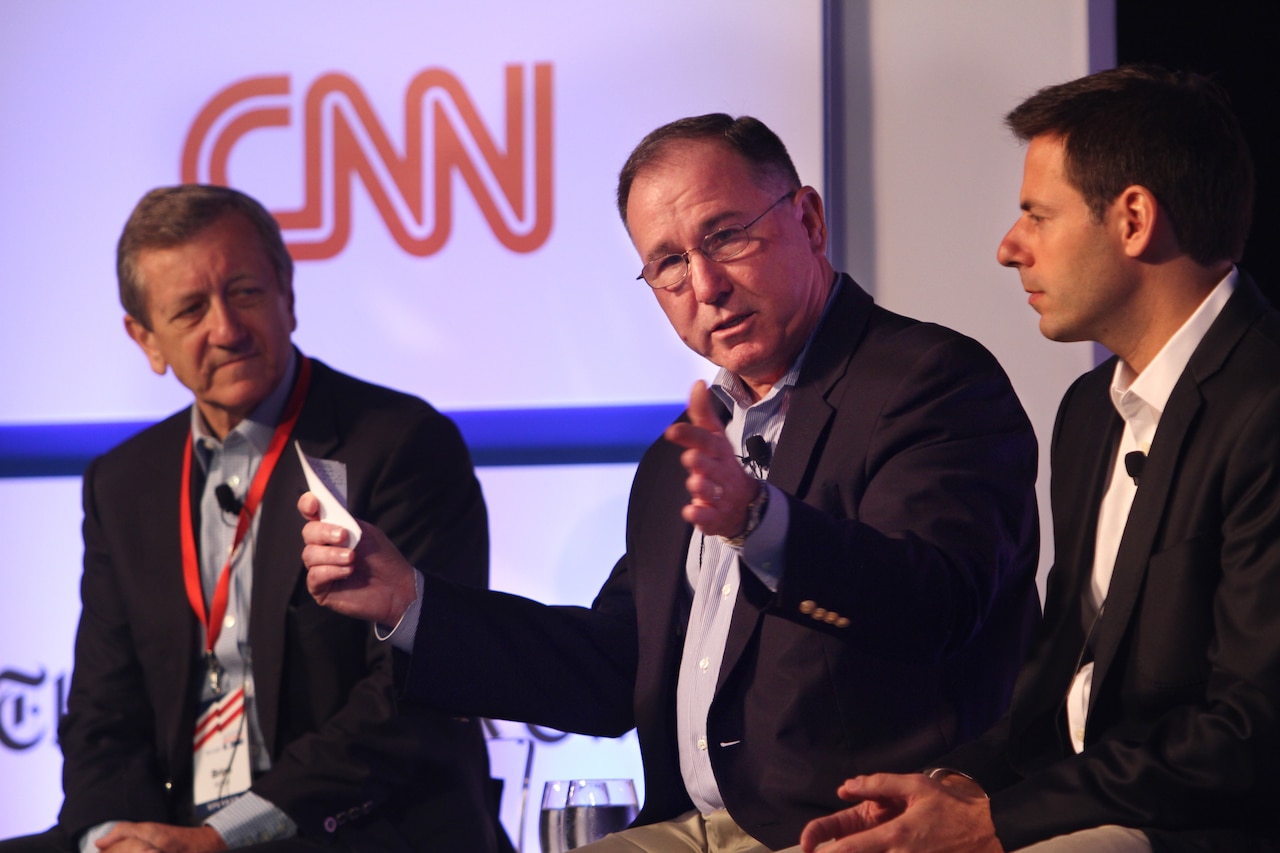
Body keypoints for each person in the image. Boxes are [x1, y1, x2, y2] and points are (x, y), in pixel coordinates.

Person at [301, 114, 1041, 853]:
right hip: (682, 826)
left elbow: (939, 601)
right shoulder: (681, 454)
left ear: (809, 219)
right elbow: (610, 664)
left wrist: (761, 522)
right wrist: (411, 601)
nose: (707, 285)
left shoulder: (927, 381)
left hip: (845, 824)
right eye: (669, 264)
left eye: (726, 237)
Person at [799, 66, 1280, 853]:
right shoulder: (1088, 413)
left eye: (1037, 214)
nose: (1007, 247)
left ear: (1132, 220)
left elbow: (1252, 729)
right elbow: (1059, 690)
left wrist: (997, 820)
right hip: (1083, 812)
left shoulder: (1265, 404)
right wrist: (954, 786)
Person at [0, 185, 508, 853]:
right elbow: (103, 712)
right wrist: (114, 837)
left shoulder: (399, 444)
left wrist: (221, 836)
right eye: (189, 310)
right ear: (146, 339)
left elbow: (409, 696)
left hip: (348, 822)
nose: (227, 329)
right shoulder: (123, 483)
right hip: (184, 828)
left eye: (243, 293)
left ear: (287, 296)